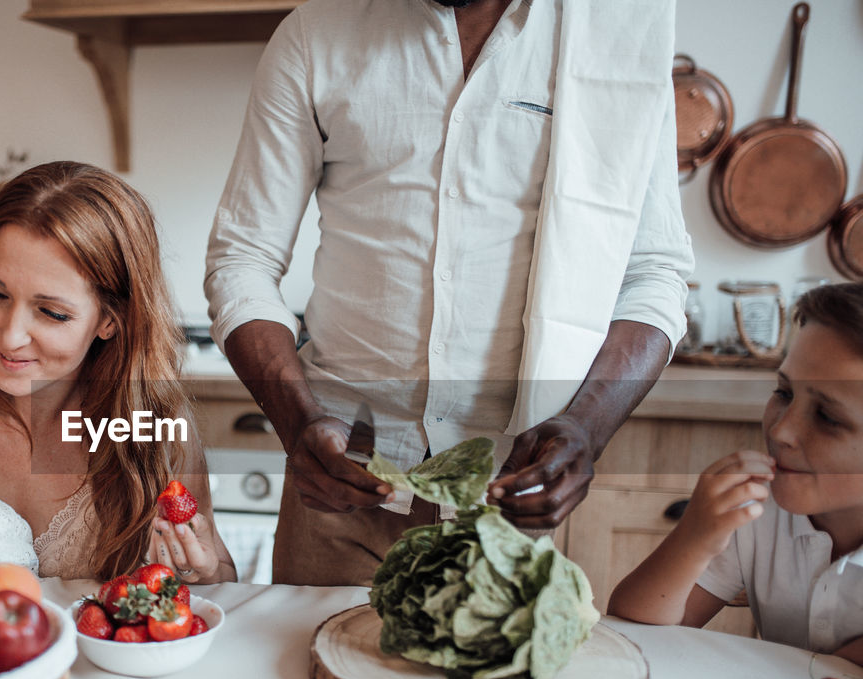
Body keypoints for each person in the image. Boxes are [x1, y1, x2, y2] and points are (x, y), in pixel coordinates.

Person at [204, 0, 693, 585]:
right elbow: (243, 257)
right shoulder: (316, 34)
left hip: (510, 498)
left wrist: (588, 426)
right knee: (309, 675)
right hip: (340, 497)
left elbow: (654, 273)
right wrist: (297, 421)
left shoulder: (617, 42)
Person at [0, 161, 236, 583]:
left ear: (109, 321)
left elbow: (220, 575)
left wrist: (196, 568)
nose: (10, 335)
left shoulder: (155, 428)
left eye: (52, 312)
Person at [608, 283, 863, 667]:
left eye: (827, 417)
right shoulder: (758, 511)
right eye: (784, 393)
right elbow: (632, 631)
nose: (780, 432)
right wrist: (695, 536)